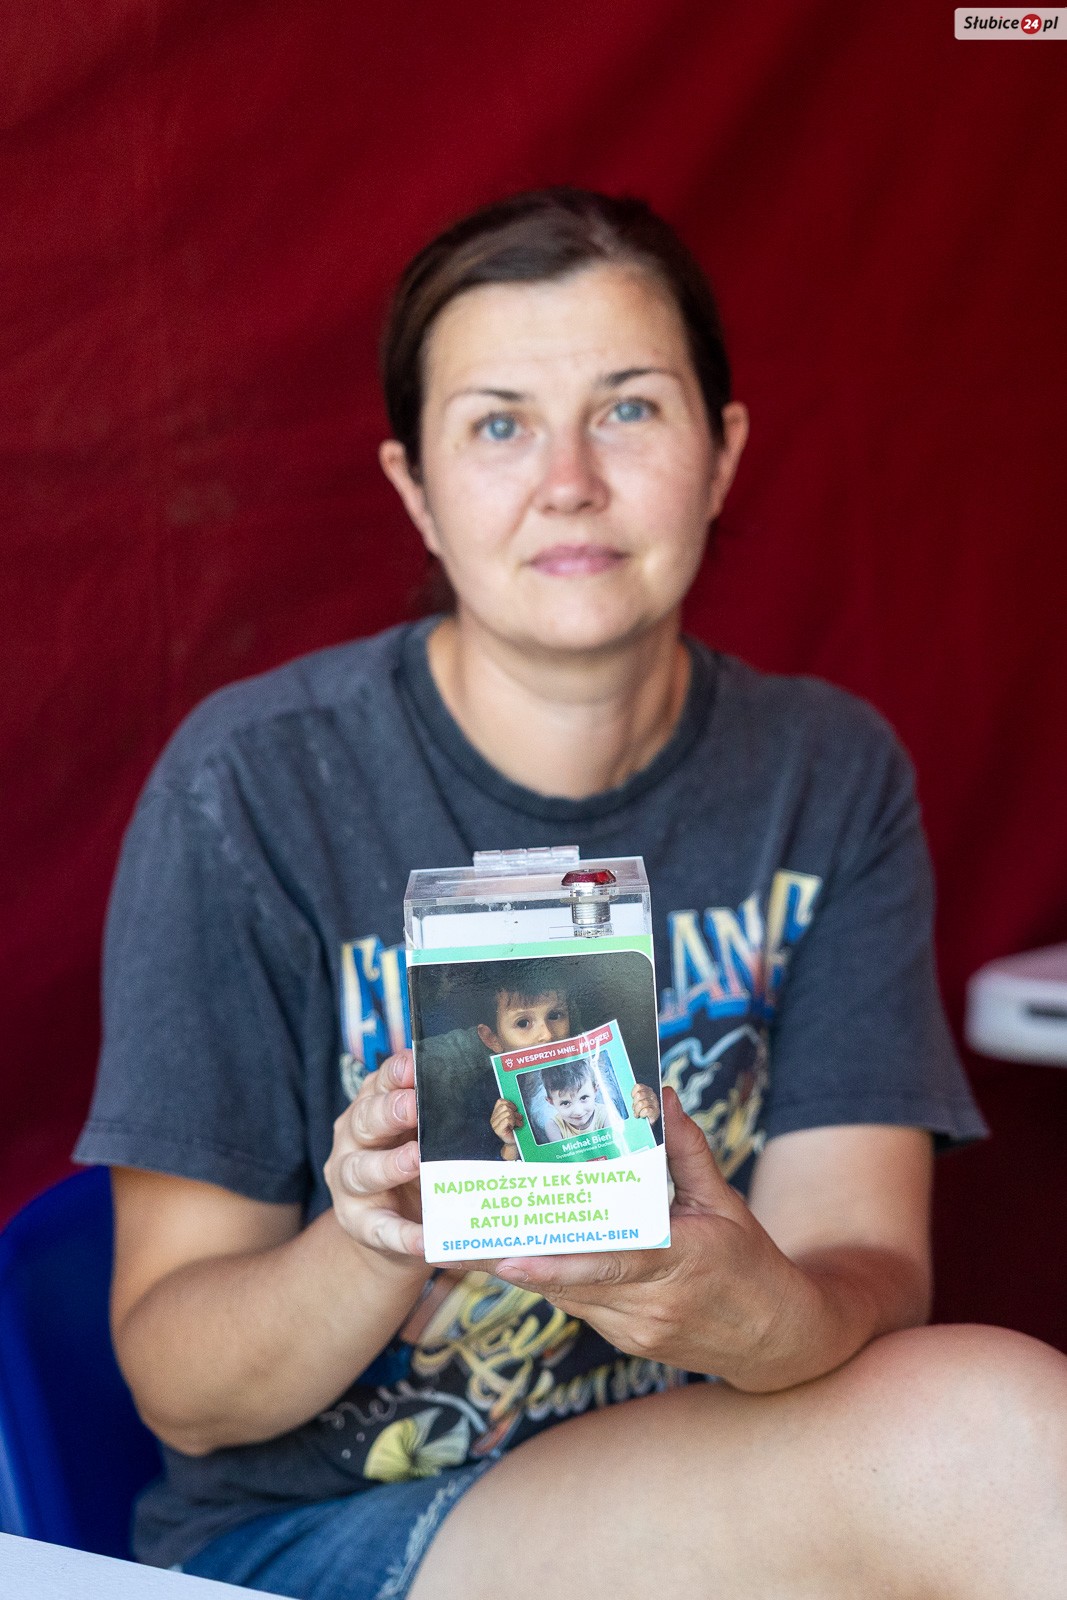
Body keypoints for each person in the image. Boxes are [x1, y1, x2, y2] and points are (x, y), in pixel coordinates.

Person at [75, 187, 1067, 1599]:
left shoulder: (828, 775)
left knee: (993, 1435)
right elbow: (184, 1391)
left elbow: (865, 1265)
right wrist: (376, 1235)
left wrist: (757, 1307)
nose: (569, 481)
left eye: (630, 408)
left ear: (722, 453)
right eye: (498, 425)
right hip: (331, 1534)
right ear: (414, 487)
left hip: (721, 1472)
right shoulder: (251, 789)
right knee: (996, 1442)